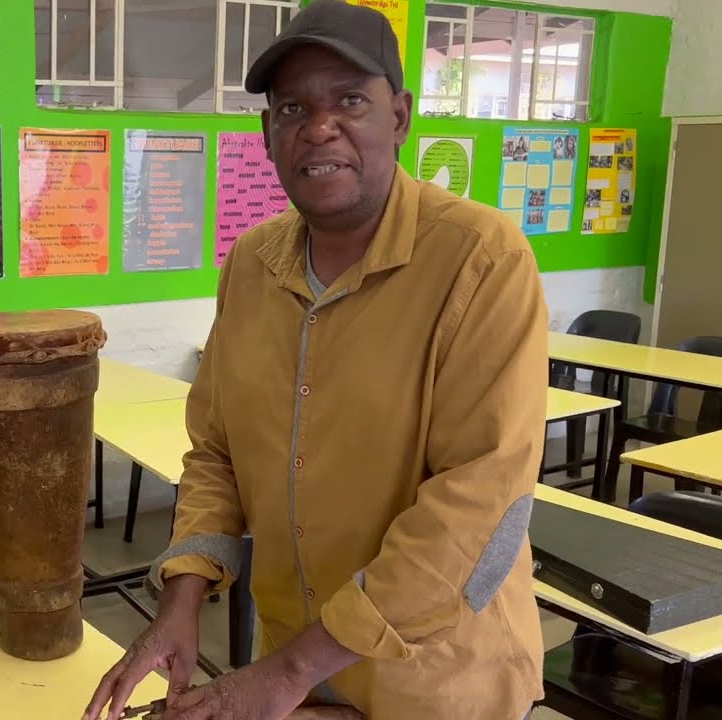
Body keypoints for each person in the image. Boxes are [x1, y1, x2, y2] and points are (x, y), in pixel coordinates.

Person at [83, 1, 548, 718]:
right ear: (267, 134)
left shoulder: (481, 259)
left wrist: (287, 671)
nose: (320, 126)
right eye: (293, 107)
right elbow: (216, 453)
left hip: (433, 679)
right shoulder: (251, 264)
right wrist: (181, 600)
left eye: (350, 100)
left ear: (400, 117)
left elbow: (477, 505)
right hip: (295, 659)